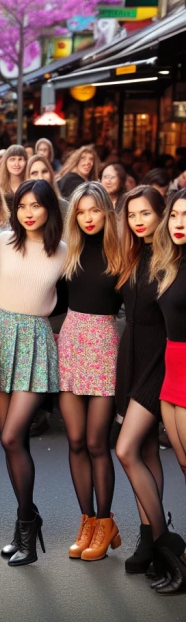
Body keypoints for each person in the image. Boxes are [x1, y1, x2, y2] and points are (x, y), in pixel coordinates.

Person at [0, 179, 67, 567]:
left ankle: (26, 525)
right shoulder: (2, 241)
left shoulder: (64, 252)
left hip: (36, 341)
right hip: (1, 335)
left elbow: (70, 297)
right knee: (10, 442)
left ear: (50, 209)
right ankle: (27, 522)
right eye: (22, 206)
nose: (29, 212)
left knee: (11, 434)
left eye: (36, 205)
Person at [58, 183, 123, 561]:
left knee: (99, 443)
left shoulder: (119, 254)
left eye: (94, 211)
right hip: (70, 343)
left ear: (106, 213)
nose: (88, 218)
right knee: (76, 441)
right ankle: (87, 521)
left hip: (103, 348)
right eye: (81, 212)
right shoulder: (70, 253)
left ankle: (105, 521)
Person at [114, 186, 168, 576]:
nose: (137, 221)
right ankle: (147, 537)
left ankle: (163, 542)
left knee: (126, 449)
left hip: (158, 360)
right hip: (131, 355)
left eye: (145, 213)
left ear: (161, 214)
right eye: (132, 214)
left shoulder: (172, 259)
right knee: (147, 451)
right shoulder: (133, 254)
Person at [149, 190, 186, 593]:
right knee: (183, 465)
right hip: (171, 371)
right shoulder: (170, 262)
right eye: (174, 214)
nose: (178, 222)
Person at [26, 154, 68, 218]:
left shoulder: (65, 207)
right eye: (34, 173)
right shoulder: (22, 208)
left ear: (51, 175)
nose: (40, 177)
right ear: (27, 178)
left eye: (44, 172)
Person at [0, 145, 27, 209]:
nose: (16, 164)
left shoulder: (31, 186)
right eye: (12, 159)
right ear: (5, 162)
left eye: (20, 159)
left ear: (26, 162)